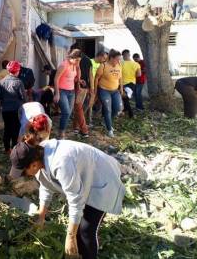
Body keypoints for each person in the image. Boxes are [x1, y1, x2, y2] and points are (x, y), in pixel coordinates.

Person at [9, 117, 125, 259]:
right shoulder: (38, 155)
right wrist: (41, 216)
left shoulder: (60, 163)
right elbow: (46, 187)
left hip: (103, 180)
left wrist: (70, 237)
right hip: (86, 180)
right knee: (78, 228)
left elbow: (76, 200)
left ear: (33, 165)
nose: (24, 175)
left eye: (23, 171)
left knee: (85, 231)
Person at [0, 60, 26, 154]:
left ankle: (6, 149)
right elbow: (23, 97)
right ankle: (14, 149)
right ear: (17, 71)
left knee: (7, 128)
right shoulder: (19, 82)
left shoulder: (2, 82)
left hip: (5, 110)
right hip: (16, 110)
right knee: (16, 129)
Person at [94, 49, 123, 137]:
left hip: (115, 91)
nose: (118, 61)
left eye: (119, 59)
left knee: (118, 108)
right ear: (111, 58)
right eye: (117, 59)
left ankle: (106, 121)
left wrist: (121, 88)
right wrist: (95, 90)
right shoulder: (103, 66)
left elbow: (120, 78)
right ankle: (109, 129)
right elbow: (96, 78)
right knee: (107, 109)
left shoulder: (119, 65)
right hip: (104, 90)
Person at [54, 49, 82, 139]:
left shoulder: (74, 65)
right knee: (66, 112)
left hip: (71, 91)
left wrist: (79, 80)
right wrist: (57, 93)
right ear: (72, 57)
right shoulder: (64, 65)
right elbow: (56, 79)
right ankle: (61, 133)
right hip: (62, 91)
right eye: (77, 60)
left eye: (79, 60)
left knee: (69, 113)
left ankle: (62, 130)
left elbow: (73, 77)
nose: (78, 62)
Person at [72, 47, 92, 138]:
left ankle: (82, 129)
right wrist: (91, 87)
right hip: (83, 87)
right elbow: (90, 75)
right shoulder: (88, 60)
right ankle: (76, 127)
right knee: (78, 107)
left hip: (75, 86)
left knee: (78, 108)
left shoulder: (74, 60)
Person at [86, 51, 108, 125]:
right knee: (90, 103)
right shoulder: (90, 62)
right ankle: (88, 120)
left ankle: (95, 117)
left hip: (99, 86)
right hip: (90, 86)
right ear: (99, 56)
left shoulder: (102, 65)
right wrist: (91, 87)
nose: (105, 60)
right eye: (104, 58)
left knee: (99, 102)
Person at [121, 50, 141, 118]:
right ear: (129, 55)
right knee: (125, 98)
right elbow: (139, 75)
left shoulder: (120, 63)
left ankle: (129, 113)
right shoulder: (136, 64)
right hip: (131, 84)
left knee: (125, 98)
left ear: (123, 55)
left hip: (122, 84)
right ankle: (128, 112)